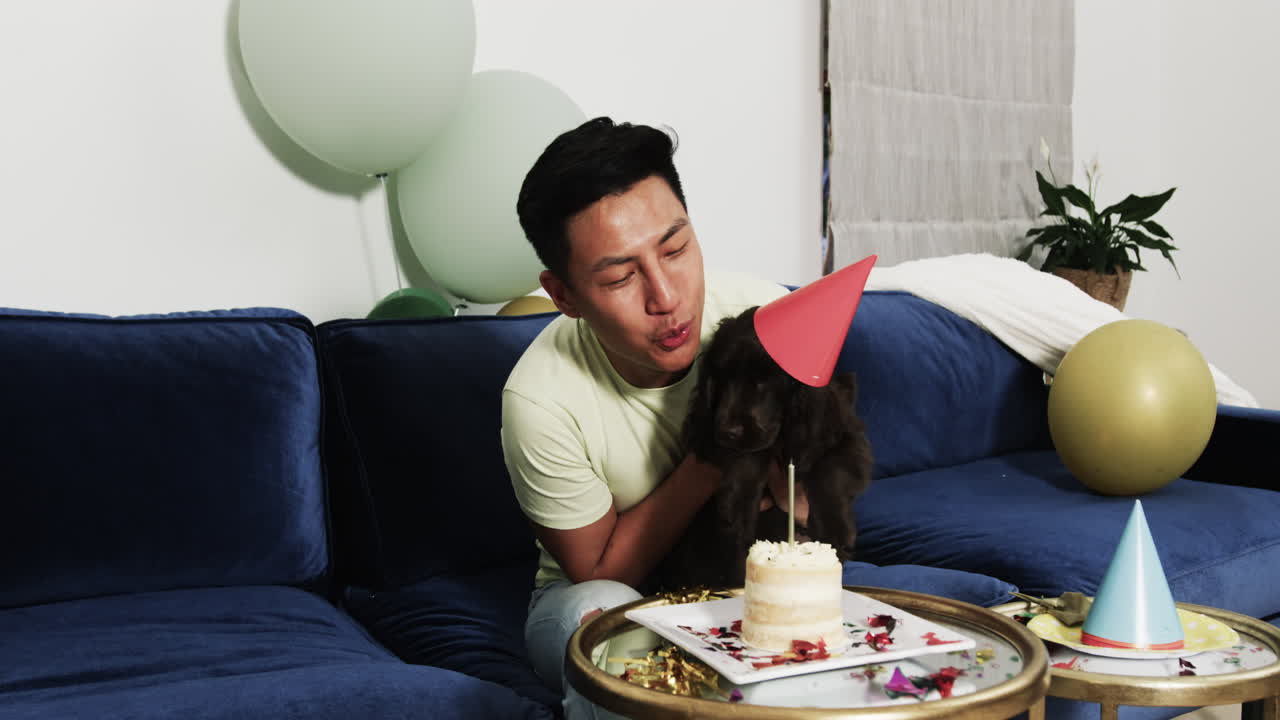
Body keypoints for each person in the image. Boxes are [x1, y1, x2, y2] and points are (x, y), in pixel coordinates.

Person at [502, 117, 803, 719]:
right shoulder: (539, 399)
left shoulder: (764, 319)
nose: (666, 296)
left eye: (675, 249)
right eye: (619, 276)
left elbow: (808, 507)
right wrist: (714, 453)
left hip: (738, 576)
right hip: (597, 593)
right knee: (611, 629)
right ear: (563, 295)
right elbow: (606, 570)